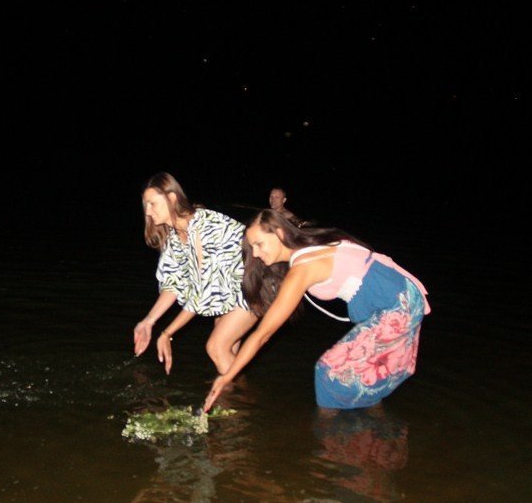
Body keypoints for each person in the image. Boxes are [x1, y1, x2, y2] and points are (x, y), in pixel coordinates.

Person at [202, 209, 430, 412]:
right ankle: (371, 421)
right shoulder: (308, 246)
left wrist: (226, 378)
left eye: (259, 244)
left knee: (328, 372)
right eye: (252, 247)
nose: (257, 253)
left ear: (280, 234)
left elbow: (262, 335)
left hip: (396, 303)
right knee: (361, 372)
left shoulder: (302, 269)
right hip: (397, 294)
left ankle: (329, 439)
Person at [134, 172, 258, 375]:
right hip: (231, 292)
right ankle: (233, 402)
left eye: (152, 204)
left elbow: (201, 295)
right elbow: (172, 284)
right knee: (228, 357)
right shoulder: (174, 238)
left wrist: (167, 333)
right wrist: (148, 321)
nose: (148, 211)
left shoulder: (202, 227)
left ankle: (243, 405)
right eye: (145, 205)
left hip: (256, 283)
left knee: (216, 347)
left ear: (172, 198)